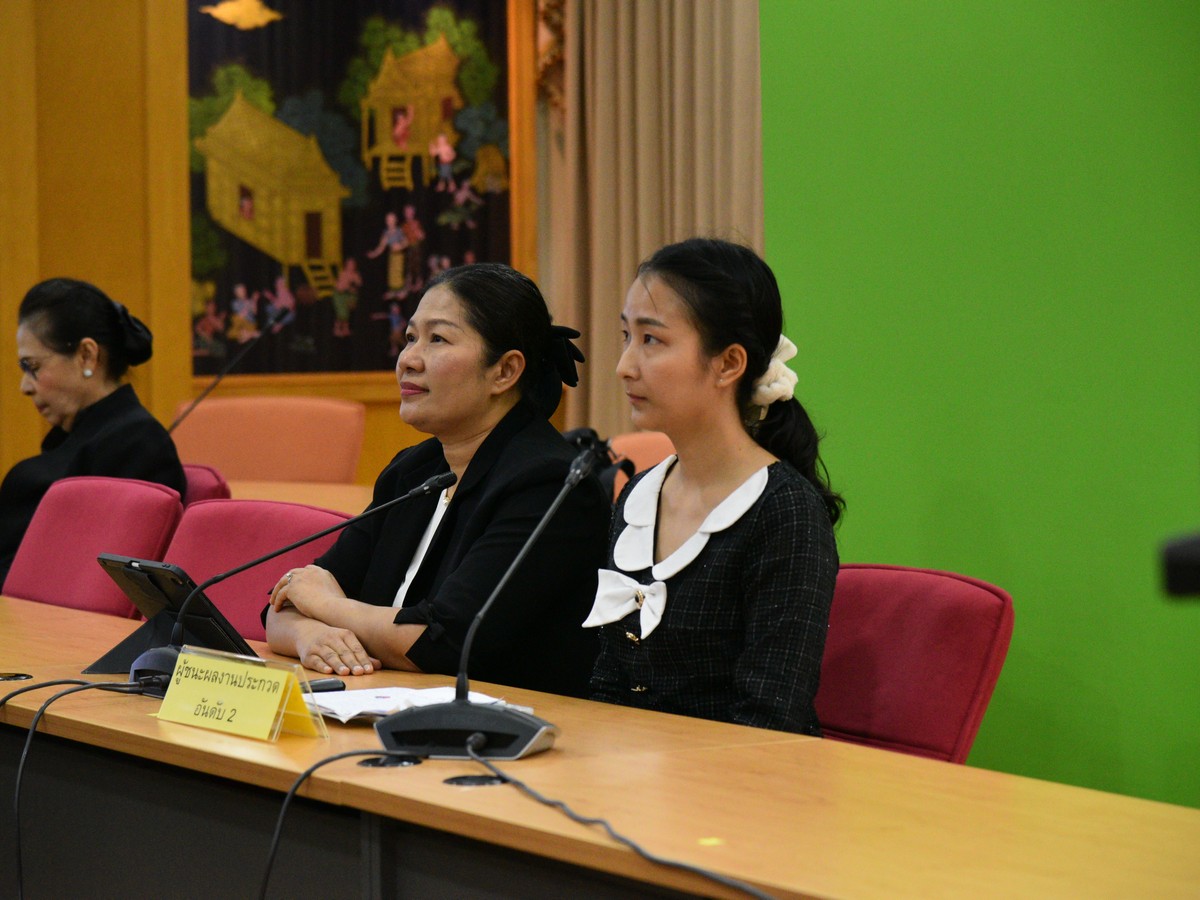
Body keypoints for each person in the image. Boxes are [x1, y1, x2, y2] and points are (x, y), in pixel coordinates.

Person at [265, 263, 609, 698]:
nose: (408, 359)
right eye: (410, 338)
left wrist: (329, 607)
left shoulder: (549, 484)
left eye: (438, 339)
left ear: (504, 371)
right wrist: (309, 636)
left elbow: (441, 644)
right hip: (383, 706)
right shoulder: (415, 471)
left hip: (507, 724)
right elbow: (284, 602)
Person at [584, 238, 844, 734]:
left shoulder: (785, 512)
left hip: (738, 779)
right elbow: (607, 685)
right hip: (628, 773)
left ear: (728, 364)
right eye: (626, 336)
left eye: (651, 340)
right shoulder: (639, 496)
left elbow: (770, 720)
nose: (624, 366)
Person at [0, 278, 185, 583]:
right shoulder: (84, 436)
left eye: (33, 366)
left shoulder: (138, 444)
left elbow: (95, 582)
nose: (24, 387)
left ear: (87, 355)